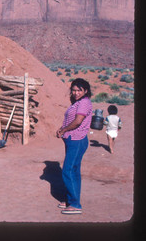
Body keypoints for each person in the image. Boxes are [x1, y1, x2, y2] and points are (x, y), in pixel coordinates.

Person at [56, 78, 93, 215]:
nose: (76, 92)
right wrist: (62, 129)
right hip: (72, 139)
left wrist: (64, 130)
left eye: (79, 90)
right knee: (74, 171)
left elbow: (77, 121)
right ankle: (71, 200)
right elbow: (70, 120)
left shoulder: (84, 103)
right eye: (74, 90)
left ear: (86, 91)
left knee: (68, 170)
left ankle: (75, 205)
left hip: (77, 139)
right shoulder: (77, 102)